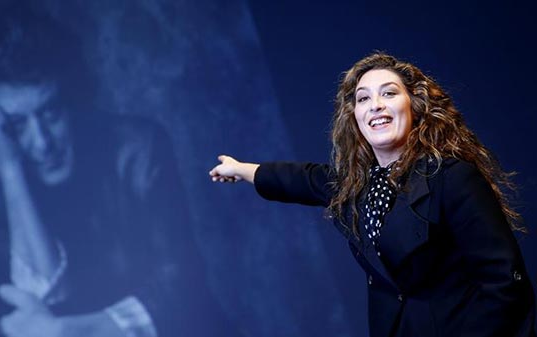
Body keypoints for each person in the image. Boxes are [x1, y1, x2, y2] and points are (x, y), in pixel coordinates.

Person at [209, 52, 536, 336]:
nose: (375, 105)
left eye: (389, 93)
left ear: (416, 106)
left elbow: (505, 283)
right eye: (363, 98)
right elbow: (300, 179)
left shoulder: (452, 177)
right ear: (354, 117)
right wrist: (240, 169)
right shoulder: (355, 185)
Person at [0, 6, 233, 337]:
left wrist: (75, 330)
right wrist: (10, 169)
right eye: (16, 125)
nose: (41, 143)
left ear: (73, 99)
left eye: (50, 112)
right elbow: (46, 296)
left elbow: (181, 285)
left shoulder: (137, 149)